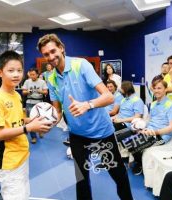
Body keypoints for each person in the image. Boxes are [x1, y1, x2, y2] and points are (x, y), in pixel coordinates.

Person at [37, 33, 133, 200]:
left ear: (61, 48)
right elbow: (57, 111)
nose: (51, 57)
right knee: (81, 180)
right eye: (46, 54)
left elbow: (109, 97)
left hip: (101, 133)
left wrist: (87, 105)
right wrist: (46, 123)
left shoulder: (81, 65)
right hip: (77, 135)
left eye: (53, 51)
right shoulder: (51, 78)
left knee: (118, 175)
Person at [0, 50, 52, 200]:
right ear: (0, 72)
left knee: (24, 195)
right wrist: (29, 128)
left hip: (22, 155)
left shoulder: (16, 94)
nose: (16, 74)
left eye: (19, 70)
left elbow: (18, 120)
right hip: (8, 161)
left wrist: (33, 120)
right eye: (11, 70)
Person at [129, 76, 172, 175]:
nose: (156, 91)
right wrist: (140, 125)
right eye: (155, 88)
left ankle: (139, 164)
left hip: (161, 136)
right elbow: (149, 120)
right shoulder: (153, 104)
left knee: (132, 143)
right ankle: (138, 160)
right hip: (149, 132)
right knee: (127, 137)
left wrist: (155, 132)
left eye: (159, 88)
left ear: (165, 89)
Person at [22, 68, 48, 143]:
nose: (32, 76)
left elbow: (46, 92)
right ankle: (33, 137)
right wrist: (27, 92)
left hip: (39, 102)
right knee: (30, 120)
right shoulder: (27, 81)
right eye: (30, 75)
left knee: (41, 118)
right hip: (29, 101)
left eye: (33, 74)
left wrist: (41, 91)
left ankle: (40, 130)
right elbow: (23, 92)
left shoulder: (42, 82)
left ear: (37, 74)